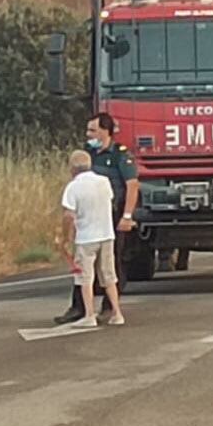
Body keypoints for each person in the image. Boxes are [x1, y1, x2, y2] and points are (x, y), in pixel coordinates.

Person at [55, 112, 141, 324]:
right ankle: (79, 308)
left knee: (113, 264)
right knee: (83, 266)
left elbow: (132, 186)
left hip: (112, 216)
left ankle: (109, 308)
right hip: (88, 218)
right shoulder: (88, 155)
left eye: (93, 130)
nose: (88, 134)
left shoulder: (121, 156)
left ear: (106, 131)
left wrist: (127, 215)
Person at [60, 150, 124, 327]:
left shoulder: (73, 187)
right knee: (109, 275)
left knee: (85, 277)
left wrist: (66, 237)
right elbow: (110, 201)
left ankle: (89, 315)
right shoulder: (104, 182)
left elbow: (68, 215)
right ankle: (117, 313)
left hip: (86, 237)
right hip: (106, 234)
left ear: (72, 168)